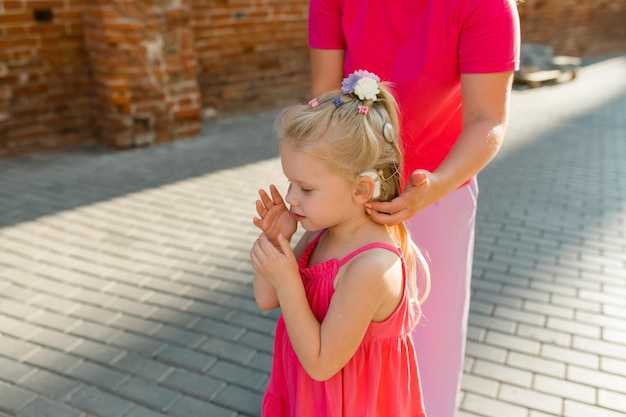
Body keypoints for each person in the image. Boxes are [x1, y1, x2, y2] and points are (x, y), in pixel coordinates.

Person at [308, 1, 521, 416]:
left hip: (439, 190)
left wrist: (435, 187)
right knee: (338, 334)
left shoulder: (489, 6)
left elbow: (486, 118)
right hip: (349, 187)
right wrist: (320, 188)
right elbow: (325, 96)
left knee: (428, 344)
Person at [250, 70, 431, 417]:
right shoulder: (318, 234)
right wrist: (278, 240)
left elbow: (321, 364)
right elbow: (265, 297)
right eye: (290, 183)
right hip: (306, 398)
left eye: (306, 188)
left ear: (361, 190)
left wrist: (288, 278)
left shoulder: (372, 267)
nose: (291, 198)